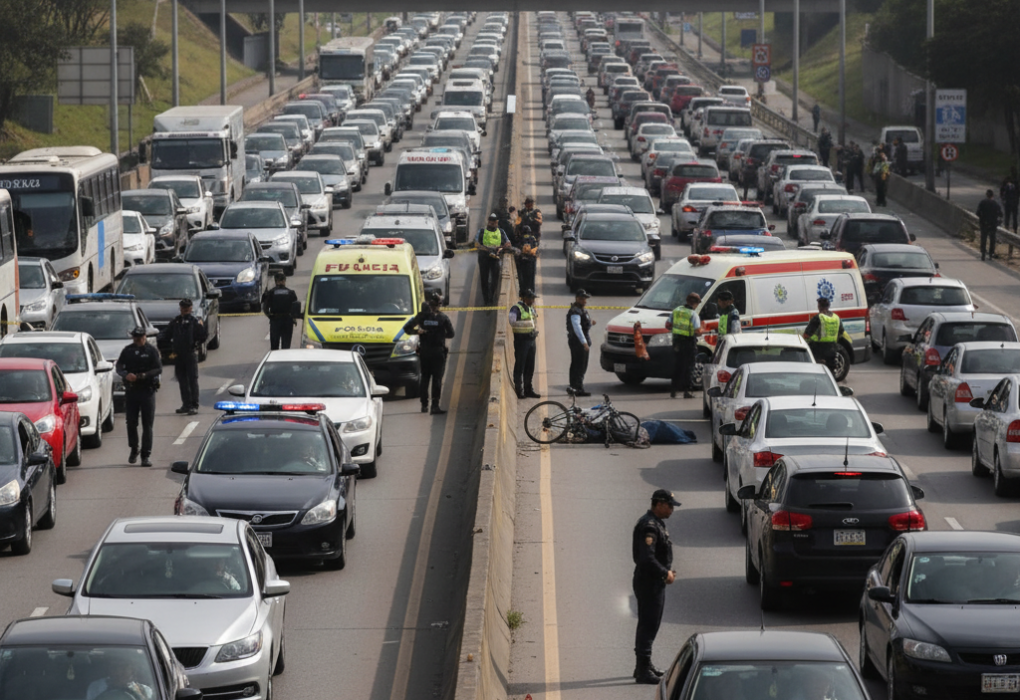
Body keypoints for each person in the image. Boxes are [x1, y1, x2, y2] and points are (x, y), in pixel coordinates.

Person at [632, 489, 681, 685]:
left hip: (651, 581)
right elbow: (646, 558)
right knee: (648, 624)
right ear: (659, 504)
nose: (671, 510)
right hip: (649, 582)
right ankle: (643, 669)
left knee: (650, 623)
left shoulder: (655, 523)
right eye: (669, 505)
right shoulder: (650, 527)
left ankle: (644, 664)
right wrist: (664, 573)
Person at [402, 290, 456, 414]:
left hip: (425, 352)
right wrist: (440, 335)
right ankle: (435, 406)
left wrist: (418, 332)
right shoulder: (443, 318)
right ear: (438, 304)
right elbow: (451, 334)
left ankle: (424, 405)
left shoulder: (421, 317)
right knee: (437, 379)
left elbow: (407, 328)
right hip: (438, 352)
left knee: (425, 378)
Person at [116, 328, 161, 467]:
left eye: (140, 337)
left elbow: (158, 368)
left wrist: (143, 375)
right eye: (135, 337)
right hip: (132, 391)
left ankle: (146, 455)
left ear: (145, 337)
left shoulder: (151, 351)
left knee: (147, 425)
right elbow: (119, 366)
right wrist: (125, 374)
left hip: (147, 391)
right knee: (131, 422)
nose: (138, 340)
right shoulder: (127, 350)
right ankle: (134, 448)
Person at [159, 298, 207, 415]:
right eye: (183, 308)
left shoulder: (194, 322)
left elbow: (203, 335)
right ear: (180, 308)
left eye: (187, 308)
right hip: (178, 355)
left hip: (190, 354)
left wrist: (195, 344)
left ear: (190, 309)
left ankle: (194, 405)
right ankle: (186, 404)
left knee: (192, 380)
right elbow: (166, 334)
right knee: (182, 381)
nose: (185, 310)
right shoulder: (176, 322)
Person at [665, 292, 702, 399]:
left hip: (677, 342)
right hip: (689, 343)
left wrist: (678, 331)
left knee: (678, 366)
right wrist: (702, 330)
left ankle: (673, 390)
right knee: (689, 367)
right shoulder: (693, 314)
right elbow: (698, 331)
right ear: (695, 304)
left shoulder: (676, 311)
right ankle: (687, 391)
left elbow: (668, 325)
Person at [803, 296, 851, 375]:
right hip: (832, 349)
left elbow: (806, 335)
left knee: (816, 372)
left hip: (817, 349)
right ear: (828, 306)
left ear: (818, 306)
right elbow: (841, 332)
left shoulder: (818, 318)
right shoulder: (836, 318)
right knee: (831, 373)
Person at [509, 288, 540, 399]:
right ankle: (519, 390)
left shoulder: (531, 309)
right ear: (524, 298)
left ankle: (528, 389)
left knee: (530, 366)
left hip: (531, 340)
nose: (533, 300)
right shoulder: (516, 308)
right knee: (520, 366)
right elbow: (512, 321)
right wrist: (526, 325)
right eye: (531, 298)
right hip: (521, 341)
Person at [475, 213, 510, 305]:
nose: (492, 224)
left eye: (494, 222)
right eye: (491, 222)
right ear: (488, 222)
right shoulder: (482, 231)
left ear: (497, 222)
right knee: (484, 279)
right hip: (484, 257)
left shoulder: (501, 232)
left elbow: (508, 243)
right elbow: (476, 243)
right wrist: (485, 248)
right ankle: (486, 299)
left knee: (495, 278)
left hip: (496, 257)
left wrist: (502, 247)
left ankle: (492, 296)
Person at [262, 272, 301, 350]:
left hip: (275, 321)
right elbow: (295, 307)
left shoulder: (271, 293)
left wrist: (270, 316)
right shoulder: (290, 293)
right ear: (284, 281)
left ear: (275, 281)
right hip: (287, 321)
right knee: (286, 346)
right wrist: (294, 318)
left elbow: (265, 308)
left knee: (274, 346)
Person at [566, 289, 594, 396]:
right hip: (578, 343)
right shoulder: (575, 311)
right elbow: (577, 328)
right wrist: (584, 343)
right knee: (580, 366)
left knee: (576, 364)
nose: (585, 301)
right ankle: (578, 388)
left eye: (585, 299)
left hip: (577, 342)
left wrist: (591, 323)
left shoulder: (580, 310)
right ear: (577, 299)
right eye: (582, 299)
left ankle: (573, 387)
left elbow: (583, 323)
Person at [87, 655, 154, 700]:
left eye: (123, 667)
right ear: (109, 669)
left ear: (132, 669)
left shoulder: (144, 690)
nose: (118, 671)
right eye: (115, 667)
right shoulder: (96, 687)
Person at [977, 189, 1004, 261]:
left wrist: (982, 218)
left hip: (984, 223)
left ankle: (983, 253)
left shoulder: (982, 203)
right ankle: (990, 254)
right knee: (992, 239)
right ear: (992, 196)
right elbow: (1001, 214)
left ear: (986, 195)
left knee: (983, 238)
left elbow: (978, 212)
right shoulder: (995, 204)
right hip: (993, 224)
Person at [516, 224, 539, 292]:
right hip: (531, 260)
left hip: (522, 261)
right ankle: (531, 291)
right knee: (531, 277)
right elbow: (536, 247)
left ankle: (523, 291)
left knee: (522, 277)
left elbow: (517, 247)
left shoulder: (519, 238)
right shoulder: (533, 238)